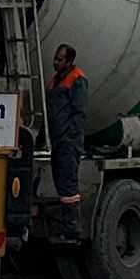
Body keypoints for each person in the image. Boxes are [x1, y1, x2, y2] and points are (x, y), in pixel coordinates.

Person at [46, 44, 89, 232]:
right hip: (57, 140)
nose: (55, 62)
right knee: (60, 181)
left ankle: (72, 228)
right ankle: (66, 225)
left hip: (68, 142)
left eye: (59, 59)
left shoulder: (77, 79)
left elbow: (79, 113)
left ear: (69, 61)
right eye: (55, 58)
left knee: (68, 184)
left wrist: (71, 139)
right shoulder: (55, 80)